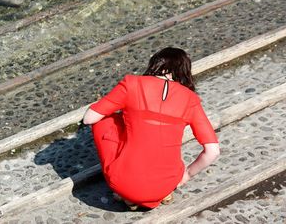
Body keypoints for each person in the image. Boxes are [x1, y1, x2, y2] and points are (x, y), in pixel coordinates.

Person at [82, 47, 220, 210]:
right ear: (183, 71)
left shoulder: (131, 83)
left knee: (104, 120)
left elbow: (89, 118)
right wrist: (186, 175)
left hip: (124, 184)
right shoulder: (190, 99)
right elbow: (213, 151)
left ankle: (127, 196)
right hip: (168, 183)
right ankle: (160, 194)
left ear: (155, 64)